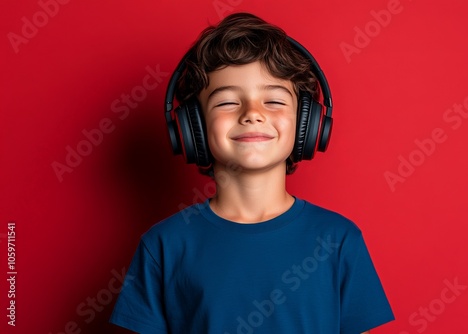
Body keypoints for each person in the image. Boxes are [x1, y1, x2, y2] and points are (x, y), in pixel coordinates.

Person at [110, 12, 394, 334]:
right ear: (193, 128)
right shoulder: (163, 245)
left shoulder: (339, 239)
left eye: (273, 100)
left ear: (308, 125)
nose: (253, 115)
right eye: (227, 102)